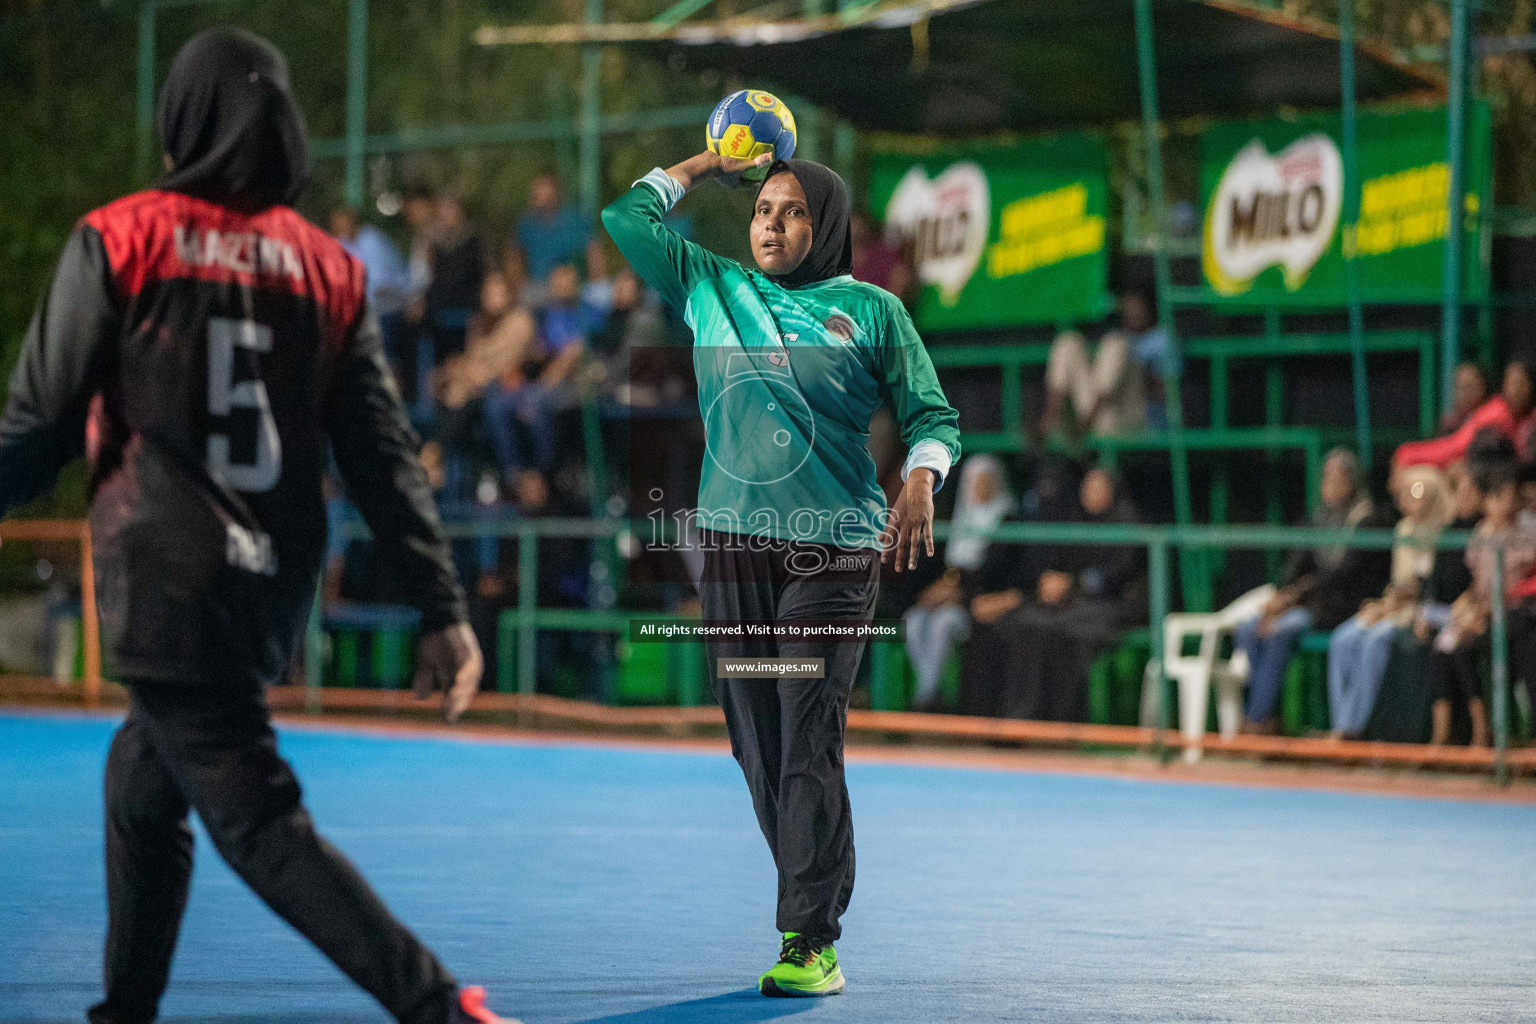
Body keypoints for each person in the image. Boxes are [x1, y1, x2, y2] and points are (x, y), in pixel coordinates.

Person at [0, 31, 515, 1024]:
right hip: (268, 585)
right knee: (142, 783)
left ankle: (441, 1010)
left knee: (257, 818)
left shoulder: (122, 236)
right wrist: (441, 607)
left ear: (182, 124)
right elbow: (381, 457)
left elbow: (40, 423)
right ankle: (125, 1014)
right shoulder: (329, 269)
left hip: (163, 572)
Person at [603, 149, 959, 997]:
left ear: (825, 225)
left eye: (794, 211)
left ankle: (810, 937)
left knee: (806, 727)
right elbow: (627, 219)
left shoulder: (871, 310)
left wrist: (918, 479)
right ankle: (820, 881)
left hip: (832, 549)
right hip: (730, 546)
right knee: (757, 741)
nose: (771, 223)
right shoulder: (711, 286)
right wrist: (704, 164)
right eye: (763, 208)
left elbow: (933, 417)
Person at [959, 466, 1145, 722]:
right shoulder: (1075, 522)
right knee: (1018, 625)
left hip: (1111, 607)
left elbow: (1116, 575)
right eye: (1088, 488)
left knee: (1057, 633)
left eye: (1099, 488)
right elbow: (1055, 568)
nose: (1092, 493)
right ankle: (1004, 718)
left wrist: (1072, 584)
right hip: (1068, 605)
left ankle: (1055, 723)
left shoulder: (1126, 524)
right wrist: (1049, 586)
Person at [1234, 449, 1392, 733]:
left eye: (1338, 477)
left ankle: (1257, 719)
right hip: (1305, 602)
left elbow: (1342, 574)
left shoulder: (1367, 519)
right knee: (1248, 629)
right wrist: (1281, 596)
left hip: (1340, 605)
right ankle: (1266, 716)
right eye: (1326, 477)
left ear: (1353, 481)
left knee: (1281, 630)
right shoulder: (1317, 517)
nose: (1330, 484)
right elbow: (1296, 562)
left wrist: (1294, 598)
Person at [1325, 466, 1452, 739]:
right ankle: (1341, 724)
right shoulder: (1403, 529)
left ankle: (1352, 729)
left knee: (1374, 641)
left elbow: (1427, 588)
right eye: (1405, 492)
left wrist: (1392, 605)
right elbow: (1399, 583)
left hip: (1423, 611)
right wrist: (1383, 605)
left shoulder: (1444, 530)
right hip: (1395, 607)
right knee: (1343, 639)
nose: (1407, 498)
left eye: (1416, 492)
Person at [1424, 459, 1536, 746]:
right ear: (1489, 500)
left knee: (1469, 643)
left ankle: (1488, 734)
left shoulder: (1527, 530)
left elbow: (1518, 584)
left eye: (1512, 497)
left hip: (1514, 613)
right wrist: (1462, 611)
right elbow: (1476, 586)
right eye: (1501, 497)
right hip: (1482, 612)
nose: (1508, 505)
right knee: (1445, 646)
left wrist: (1481, 613)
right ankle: (1451, 734)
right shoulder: (1480, 533)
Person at [482, 262, 602, 509]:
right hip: (541, 384)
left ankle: (542, 473)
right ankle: (515, 473)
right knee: (497, 404)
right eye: (556, 282)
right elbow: (540, 352)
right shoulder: (547, 315)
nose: (561, 287)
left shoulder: (591, 314)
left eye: (566, 281)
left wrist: (545, 381)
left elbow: (572, 356)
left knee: (535, 402)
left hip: (577, 386)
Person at [903, 455, 1013, 712]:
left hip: (976, 602)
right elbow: (945, 569)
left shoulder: (1006, 521)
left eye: (986, 482)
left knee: (944, 624)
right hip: (948, 597)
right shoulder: (957, 520)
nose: (980, 488)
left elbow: (994, 574)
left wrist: (959, 594)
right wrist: (936, 591)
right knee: (912, 621)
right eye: (976, 482)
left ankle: (925, 699)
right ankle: (931, 694)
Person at [1041, 286, 1164, 438]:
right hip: (1097, 414)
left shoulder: (1161, 340)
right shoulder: (1116, 335)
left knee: (1116, 344)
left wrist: (1138, 371)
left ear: (1150, 309)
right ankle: (1052, 419)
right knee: (1069, 342)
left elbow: (1166, 392)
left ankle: (1082, 426)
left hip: (1135, 414)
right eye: (1129, 307)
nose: (1132, 312)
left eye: (1137, 307)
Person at [1394, 360, 1536, 471]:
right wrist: (1406, 453)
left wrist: (1406, 453)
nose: (1513, 390)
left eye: (1519, 383)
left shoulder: (1504, 413)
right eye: (1509, 383)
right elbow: (1453, 448)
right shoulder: (1489, 414)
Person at [516, 172, 591, 283]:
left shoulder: (572, 220)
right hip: (537, 287)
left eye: (545, 187)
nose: (540, 193)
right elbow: (515, 258)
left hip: (570, 285)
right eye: (538, 188)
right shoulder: (527, 224)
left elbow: (593, 251)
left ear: (555, 190)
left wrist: (595, 284)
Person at [1442, 362, 1490, 434]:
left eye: (1468, 386)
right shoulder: (1450, 424)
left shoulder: (1490, 422)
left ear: (1483, 387)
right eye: (1458, 386)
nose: (1462, 393)